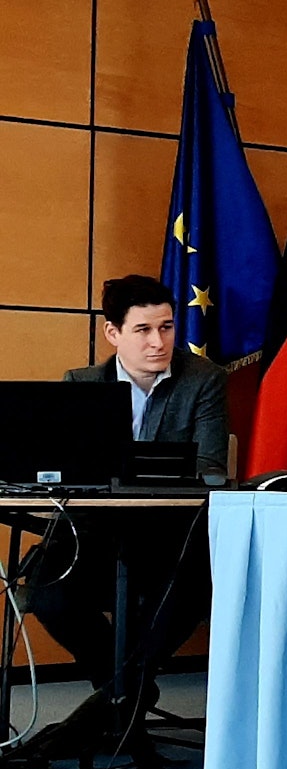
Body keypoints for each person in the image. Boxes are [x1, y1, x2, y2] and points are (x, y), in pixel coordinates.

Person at [21, 274, 226, 737]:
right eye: (144, 330)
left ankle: (115, 700)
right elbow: (66, 470)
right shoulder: (83, 382)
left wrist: (122, 468)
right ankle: (125, 690)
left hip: (171, 535)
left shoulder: (204, 380)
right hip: (94, 533)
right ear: (113, 333)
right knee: (43, 586)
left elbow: (211, 466)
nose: (159, 342)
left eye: (168, 328)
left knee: (191, 583)